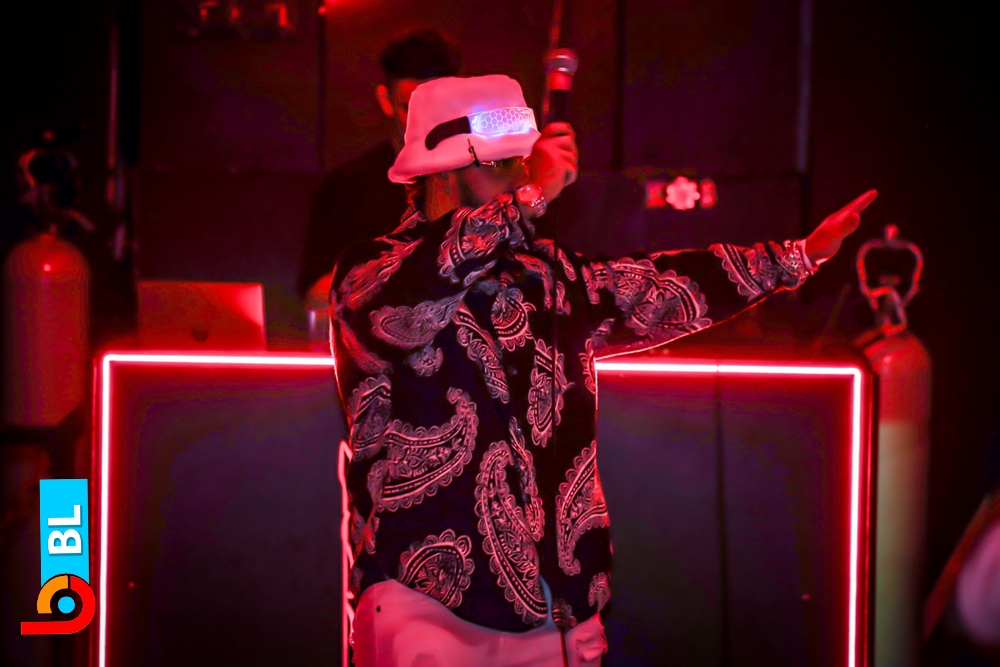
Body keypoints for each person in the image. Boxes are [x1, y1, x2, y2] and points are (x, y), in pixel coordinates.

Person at [329, 75, 877, 666]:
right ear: (442, 172)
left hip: (558, 606)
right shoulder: (373, 271)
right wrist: (531, 194)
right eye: (501, 164)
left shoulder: (548, 273)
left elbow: (663, 287)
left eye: (523, 162)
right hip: (427, 601)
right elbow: (416, 295)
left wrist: (801, 256)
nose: (519, 175)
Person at [297, 27, 461, 311]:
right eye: (410, 109)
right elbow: (315, 294)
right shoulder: (346, 187)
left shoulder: (487, 178)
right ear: (386, 101)